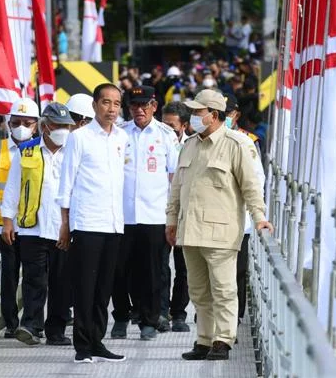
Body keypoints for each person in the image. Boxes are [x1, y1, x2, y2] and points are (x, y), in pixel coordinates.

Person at [166, 90, 272, 361]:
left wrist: (259, 218)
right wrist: (171, 220)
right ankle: (203, 340)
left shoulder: (236, 144)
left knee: (224, 290)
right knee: (199, 291)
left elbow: (251, 187)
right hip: (190, 231)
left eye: (198, 112)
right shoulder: (189, 144)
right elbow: (177, 188)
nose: (193, 117)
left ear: (214, 115)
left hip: (221, 232)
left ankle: (223, 340)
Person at [57, 83, 128, 363]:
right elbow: (67, 182)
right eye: (106, 103)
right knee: (85, 287)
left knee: (103, 288)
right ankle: (83, 347)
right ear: (95, 105)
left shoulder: (121, 137)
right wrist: (65, 223)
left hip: (113, 223)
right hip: (87, 223)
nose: (111, 109)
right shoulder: (80, 138)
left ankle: (98, 340)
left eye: (116, 104)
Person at [1, 103, 75, 347]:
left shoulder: (75, 153)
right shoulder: (27, 152)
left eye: (66, 126)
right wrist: (7, 220)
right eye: (58, 126)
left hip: (65, 228)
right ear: (45, 126)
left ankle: (56, 331)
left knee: (62, 281)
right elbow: (13, 188)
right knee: (35, 280)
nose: (62, 130)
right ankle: (31, 326)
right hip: (32, 227)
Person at [110, 86, 179, 341]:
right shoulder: (119, 134)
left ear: (154, 105)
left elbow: (175, 177)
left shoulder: (166, 135)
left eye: (143, 105)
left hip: (154, 215)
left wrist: (174, 216)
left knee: (151, 272)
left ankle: (149, 320)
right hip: (123, 215)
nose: (139, 110)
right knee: (118, 271)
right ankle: (120, 316)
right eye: (133, 105)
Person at [0, 97, 40, 338]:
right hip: (4, 224)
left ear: (36, 124)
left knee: (36, 277)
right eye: (16, 122)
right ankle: (11, 324)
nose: (21, 126)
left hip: (34, 224)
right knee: (10, 275)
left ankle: (33, 323)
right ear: (8, 123)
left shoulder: (42, 149)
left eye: (27, 122)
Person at [223, 93, 265, 324]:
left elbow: (257, 180)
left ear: (235, 114)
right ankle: (209, 317)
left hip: (239, 219)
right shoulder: (200, 138)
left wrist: (256, 213)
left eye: (227, 112)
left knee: (237, 272)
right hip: (211, 216)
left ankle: (234, 318)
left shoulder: (247, 141)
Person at [159, 101, 192, 332]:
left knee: (184, 267)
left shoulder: (193, 146)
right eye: (164, 124)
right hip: (160, 212)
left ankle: (178, 313)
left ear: (184, 126)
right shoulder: (155, 142)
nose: (167, 130)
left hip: (185, 214)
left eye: (172, 126)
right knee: (160, 266)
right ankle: (160, 311)